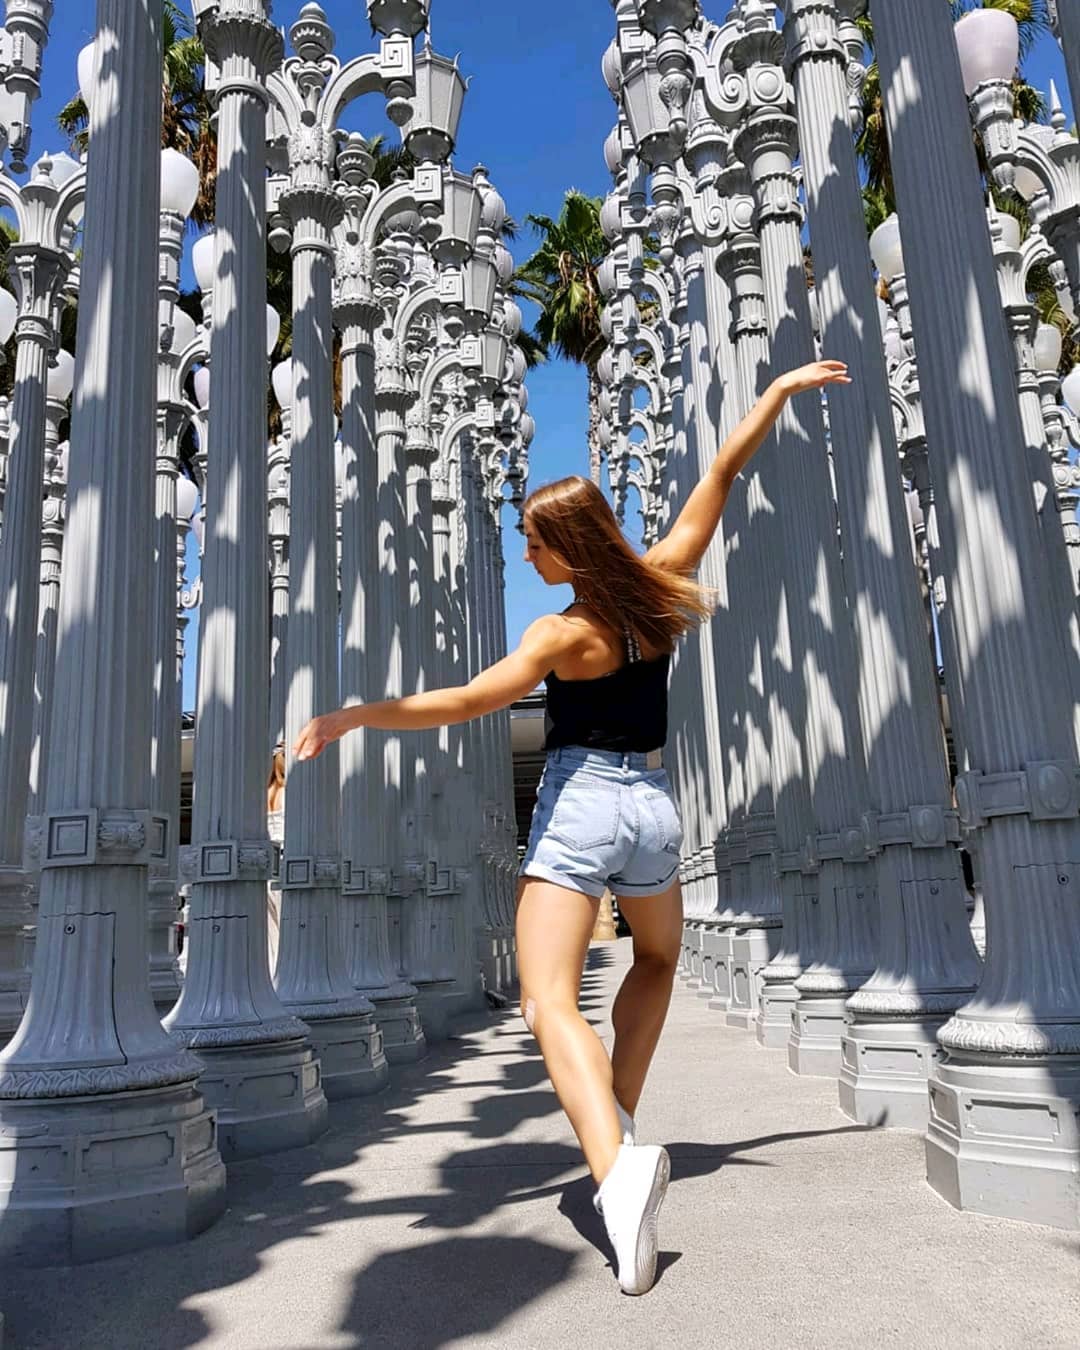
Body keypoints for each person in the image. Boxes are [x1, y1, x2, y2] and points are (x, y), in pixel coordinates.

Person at [294, 359, 851, 1295]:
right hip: (651, 804)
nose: (526, 558)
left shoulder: (561, 636)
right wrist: (776, 395)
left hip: (582, 802)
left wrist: (355, 716)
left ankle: (615, 1166)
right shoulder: (663, 589)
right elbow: (718, 476)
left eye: (532, 543)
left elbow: (468, 700)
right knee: (660, 958)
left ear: (566, 545)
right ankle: (618, 1121)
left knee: (547, 999)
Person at [266, 744, 286, 975]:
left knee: (271, 927)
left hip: (267, 862)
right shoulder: (288, 793)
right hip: (284, 858)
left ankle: (272, 971)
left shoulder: (267, 793)